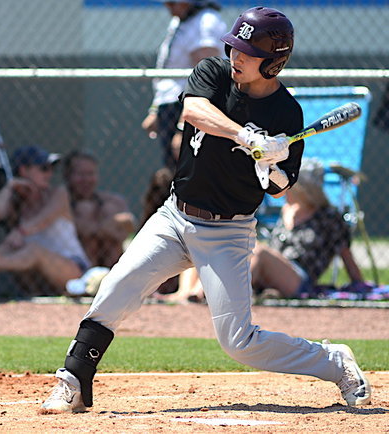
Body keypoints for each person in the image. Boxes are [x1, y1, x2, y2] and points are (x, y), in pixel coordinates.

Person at [40, 7, 371, 414]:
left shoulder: (287, 113)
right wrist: (245, 136)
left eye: (248, 53)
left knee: (239, 342)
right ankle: (73, 381)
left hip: (228, 232)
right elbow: (194, 110)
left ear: (274, 62)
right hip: (174, 217)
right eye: (234, 48)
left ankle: (333, 361)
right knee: (115, 289)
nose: (236, 57)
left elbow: (281, 187)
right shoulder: (213, 71)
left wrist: (270, 163)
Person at [251, 159, 365, 299]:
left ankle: (234, 297)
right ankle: (261, 292)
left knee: (260, 252)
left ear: (303, 190)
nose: (283, 192)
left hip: (299, 279)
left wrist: (359, 284)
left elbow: (346, 255)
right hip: (275, 270)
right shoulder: (287, 211)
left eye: (288, 188)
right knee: (250, 247)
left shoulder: (328, 217)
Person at [0, 146, 91, 296]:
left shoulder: (59, 194)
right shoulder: (18, 204)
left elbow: (42, 220)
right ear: (24, 171)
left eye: (51, 169)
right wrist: (10, 186)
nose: (49, 174)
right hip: (38, 276)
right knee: (10, 247)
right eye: (43, 169)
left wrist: (20, 232)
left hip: (75, 270)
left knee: (34, 250)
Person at [142, 0, 226, 169]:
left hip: (187, 107)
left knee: (191, 171)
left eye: (173, 3)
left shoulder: (205, 22)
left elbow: (205, 80)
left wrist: (183, 128)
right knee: (173, 171)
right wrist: (156, 109)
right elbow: (168, 69)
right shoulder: (180, 21)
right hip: (172, 106)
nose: (168, 7)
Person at [63, 150, 136, 268]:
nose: (86, 179)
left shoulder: (112, 200)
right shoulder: (60, 201)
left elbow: (130, 225)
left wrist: (103, 226)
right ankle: (89, 273)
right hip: (78, 261)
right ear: (67, 176)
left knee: (109, 209)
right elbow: (81, 230)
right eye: (81, 174)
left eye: (90, 173)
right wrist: (108, 226)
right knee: (85, 209)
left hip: (112, 257)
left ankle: (112, 271)